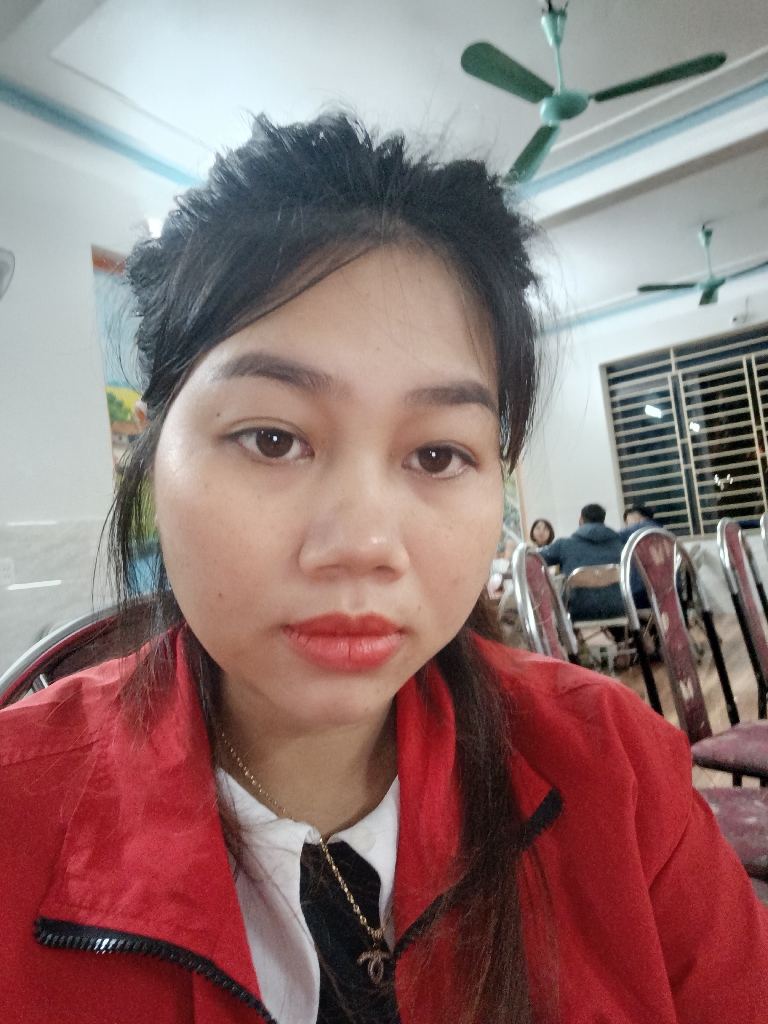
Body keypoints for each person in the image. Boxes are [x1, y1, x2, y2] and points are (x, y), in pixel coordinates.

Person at [1, 114, 765, 1024]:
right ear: (153, 456)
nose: (364, 543)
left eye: (438, 455)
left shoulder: (618, 772)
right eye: (272, 438)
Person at [538, 503, 625, 622]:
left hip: (577, 611)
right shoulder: (620, 545)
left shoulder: (564, 545)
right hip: (617, 608)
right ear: (603, 521)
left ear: (581, 520)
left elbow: (535, 558)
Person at [619, 502, 665, 609]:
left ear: (636, 517)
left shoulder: (640, 529)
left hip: (646, 591)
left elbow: (613, 537)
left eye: (627, 522)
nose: (626, 526)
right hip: (667, 588)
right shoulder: (660, 529)